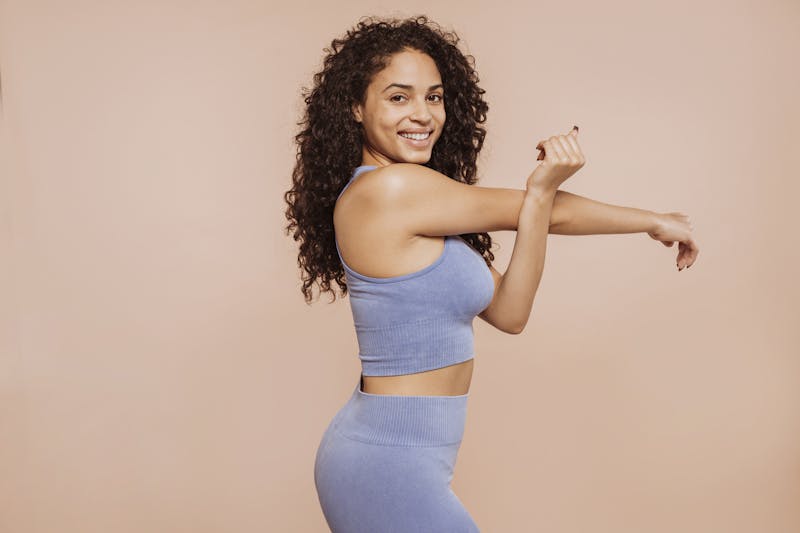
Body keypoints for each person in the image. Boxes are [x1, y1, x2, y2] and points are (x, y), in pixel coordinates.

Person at [283, 14, 699, 533]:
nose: (422, 114)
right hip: (384, 462)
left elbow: (511, 312)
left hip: (413, 458)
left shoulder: (425, 202)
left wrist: (542, 194)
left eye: (433, 97)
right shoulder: (388, 192)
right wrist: (652, 220)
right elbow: (544, 211)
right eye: (398, 97)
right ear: (356, 107)